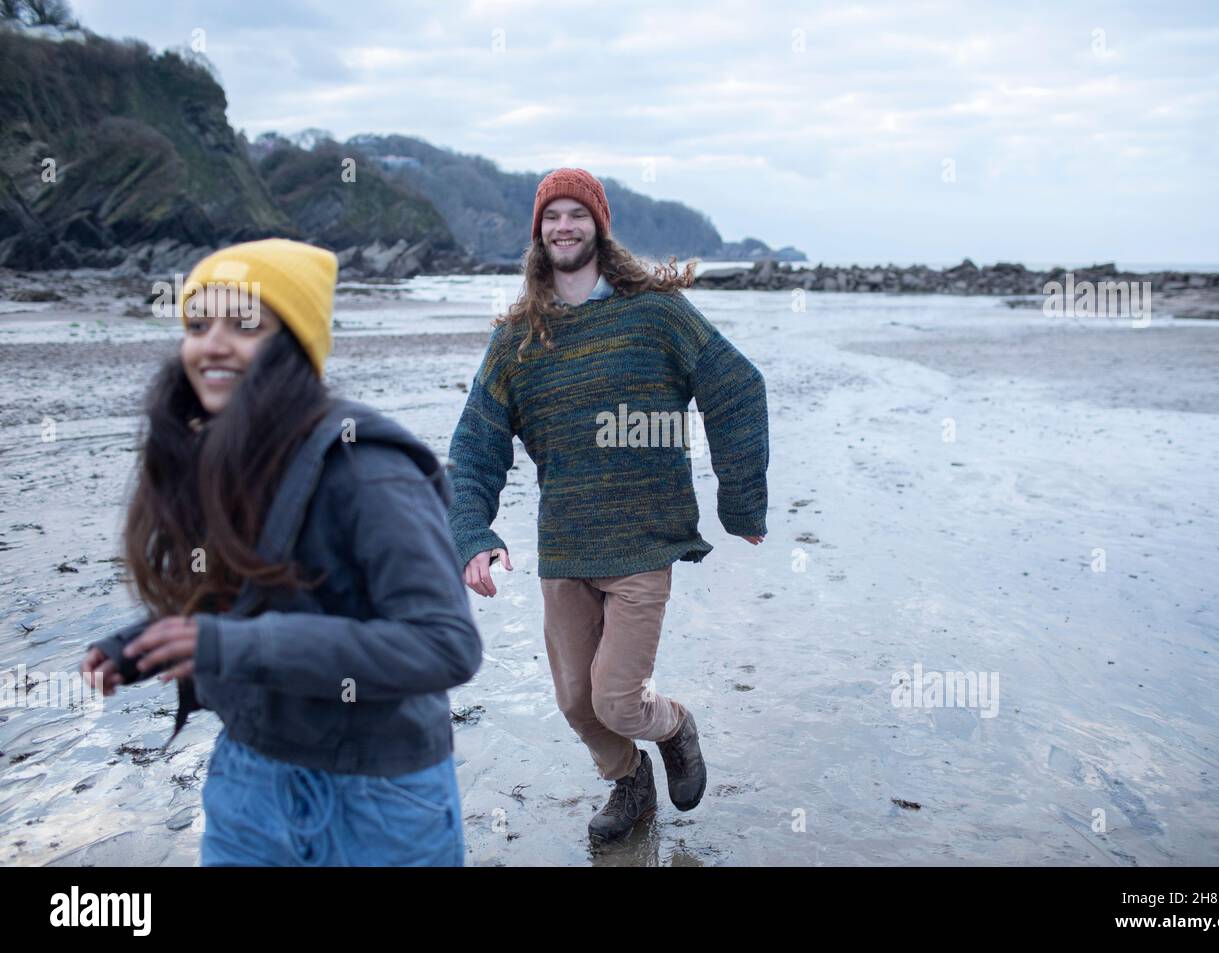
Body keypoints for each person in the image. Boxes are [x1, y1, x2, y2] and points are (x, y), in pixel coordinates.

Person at [80, 238, 482, 866]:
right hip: (249, 778)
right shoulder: (223, 454)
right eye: (197, 323)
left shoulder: (369, 468)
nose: (212, 343)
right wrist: (143, 642)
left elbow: (444, 645)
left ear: (294, 343)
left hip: (379, 794)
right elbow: (251, 599)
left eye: (245, 324)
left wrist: (226, 645)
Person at [447, 168, 769, 844]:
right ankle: (630, 784)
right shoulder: (517, 342)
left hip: (643, 542)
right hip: (565, 547)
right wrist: (472, 533)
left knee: (617, 698)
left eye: (576, 214)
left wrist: (740, 505)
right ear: (539, 231)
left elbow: (737, 388)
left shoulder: (655, 314)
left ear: (598, 225)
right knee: (575, 701)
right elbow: (475, 448)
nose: (564, 226)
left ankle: (675, 726)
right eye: (552, 215)